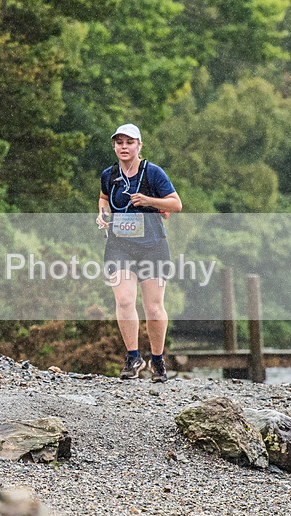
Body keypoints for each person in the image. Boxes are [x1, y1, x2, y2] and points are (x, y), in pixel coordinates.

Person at [95, 123, 182, 383]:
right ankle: (133, 357)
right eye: (119, 142)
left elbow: (176, 204)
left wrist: (149, 200)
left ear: (139, 145)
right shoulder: (108, 174)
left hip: (152, 245)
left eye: (129, 142)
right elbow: (102, 198)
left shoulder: (153, 173)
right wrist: (102, 214)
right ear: (114, 146)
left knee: (153, 307)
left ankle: (157, 359)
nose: (124, 147)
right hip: (119, 245)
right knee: (123, 300)